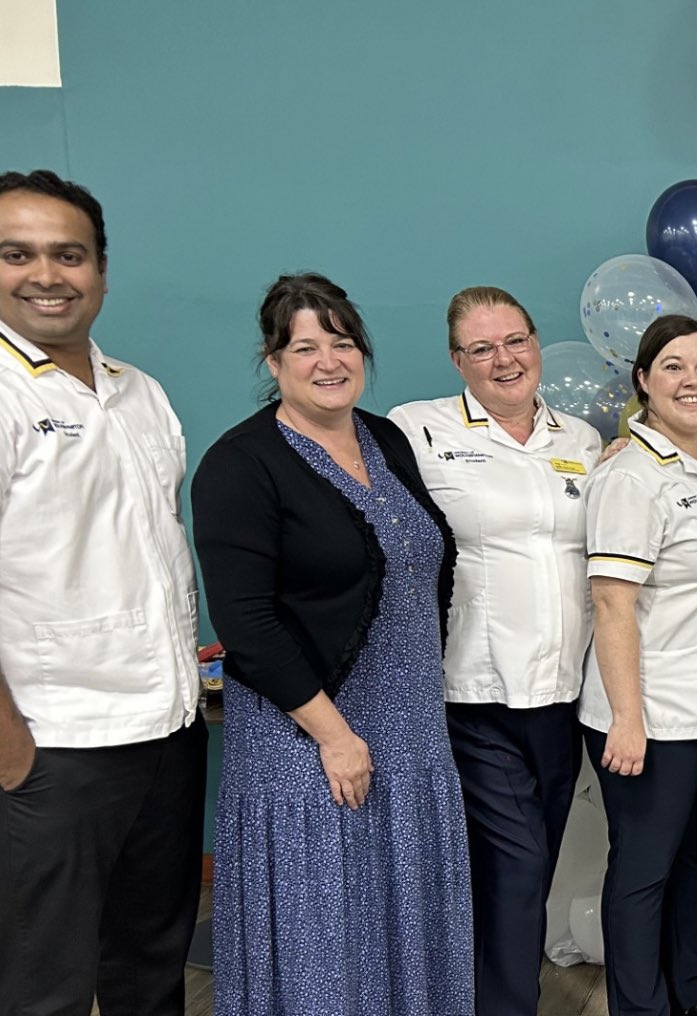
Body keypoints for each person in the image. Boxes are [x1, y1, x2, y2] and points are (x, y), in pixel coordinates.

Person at [192, 273, 473, 1014]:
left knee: (404, 911)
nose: (328, 361)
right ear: (273, 359)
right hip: (311, 735)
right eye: (305, 346)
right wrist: (334, 734)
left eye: (342, 343)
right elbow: (246, 623)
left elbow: (420, 562)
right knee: (328, 926)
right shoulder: (240, 464)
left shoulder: (383, 438)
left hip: (410, 724)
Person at [0, 169, 208, 1015]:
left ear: (102, 272)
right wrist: (9, 740)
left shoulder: (139, 391)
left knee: (149, 964)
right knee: (43, 982)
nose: (47, 274)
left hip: (166, 729)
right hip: (55, 744)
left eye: (69, 254)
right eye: (18, 254)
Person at [389, 286, 604, 1015]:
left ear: (536, 344)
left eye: (514, 341)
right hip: (471, 694)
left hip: (562, 694)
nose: (502, 359)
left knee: (520, 868)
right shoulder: (416, 431)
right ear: (458, 362)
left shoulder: (579, 440)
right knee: (517, 868)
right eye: (481, 348)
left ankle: (467, 991)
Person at [580, 313, 697, 1016]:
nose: (693, 381)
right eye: (674, 368)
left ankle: (692, 994)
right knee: (643, 873)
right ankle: (640, 1006)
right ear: (642, 383)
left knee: (694, 862)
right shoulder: (631, 476)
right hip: (652, 717)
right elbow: (611, 604)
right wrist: (627, 719)